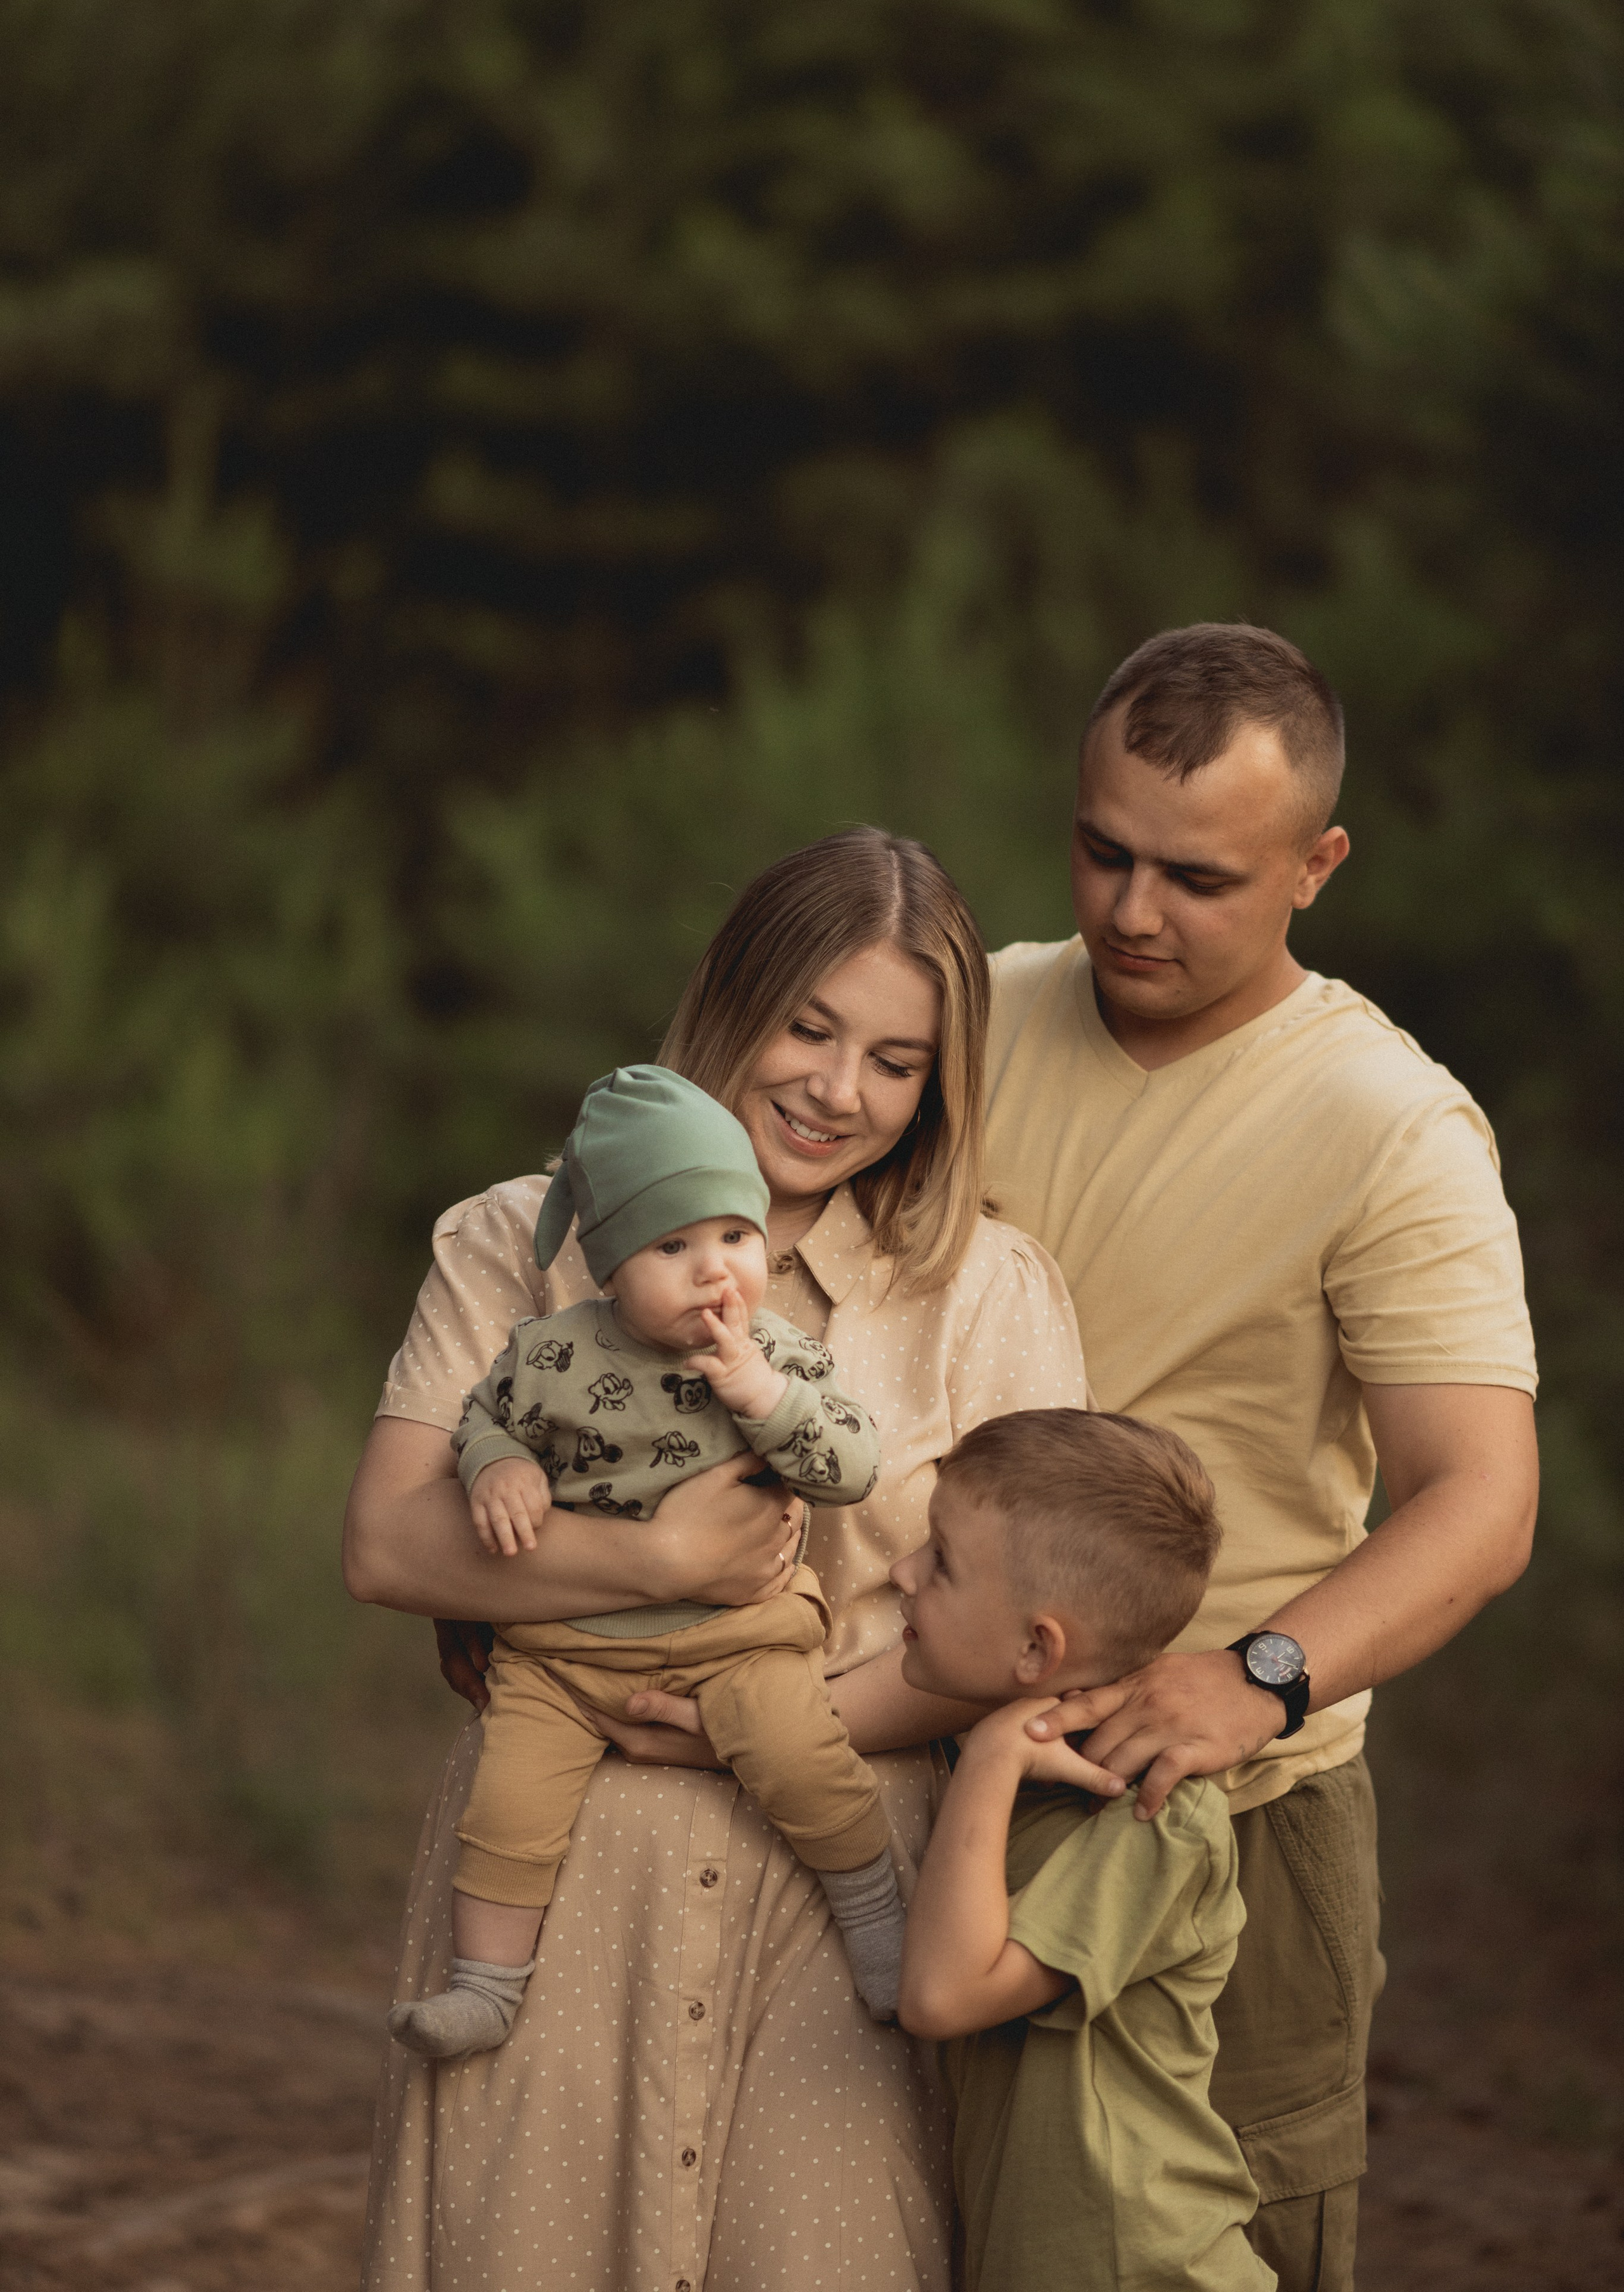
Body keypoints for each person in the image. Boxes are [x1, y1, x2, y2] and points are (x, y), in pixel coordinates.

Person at [343, 827, 1101, 2292]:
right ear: (726, 1003)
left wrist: (753, 1730)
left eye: (893, 1058)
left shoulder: (985, 1294)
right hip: (562, 1880)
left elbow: (1030, 1630)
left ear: (939, 1081)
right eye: (807, 1027)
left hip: (840, 1890)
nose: (836, 1088)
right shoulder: (520, 1239)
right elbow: (385, 1541)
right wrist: (649, 1561)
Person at [983, 623, 1540, 2292]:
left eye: (1198, 878)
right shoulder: (963, 1013)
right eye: (1103, 852)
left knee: (1226, 2256)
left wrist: (1261, 1675)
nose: (1132, 912)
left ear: (1319, 865)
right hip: (922, 1778)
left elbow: (1484, 1499)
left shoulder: (1388, 1124)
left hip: (1224, 1817)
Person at [387, 1063, 903, 2060]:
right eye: (675, 1245)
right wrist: (498, 1469)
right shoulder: (552, 1355)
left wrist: (761, 1395)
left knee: (809, 1762)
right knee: (510, 1802)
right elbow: (481, 1422)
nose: (718, 1272)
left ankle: (879, 1928)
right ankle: (485, 1989)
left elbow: (851, 1468)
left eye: (736, 1238)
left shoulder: (781, 1354)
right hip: (564, 1653)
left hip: (741, 1640)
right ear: (610, 1265)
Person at [894, 1408, 1275, 2292]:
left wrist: (992, 1752)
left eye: (940, 1562)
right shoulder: (1001, 1774)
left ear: (1040, 1647)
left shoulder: (1155, 1816)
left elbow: (943, 1994)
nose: (900, 1571)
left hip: (1139, 2264)